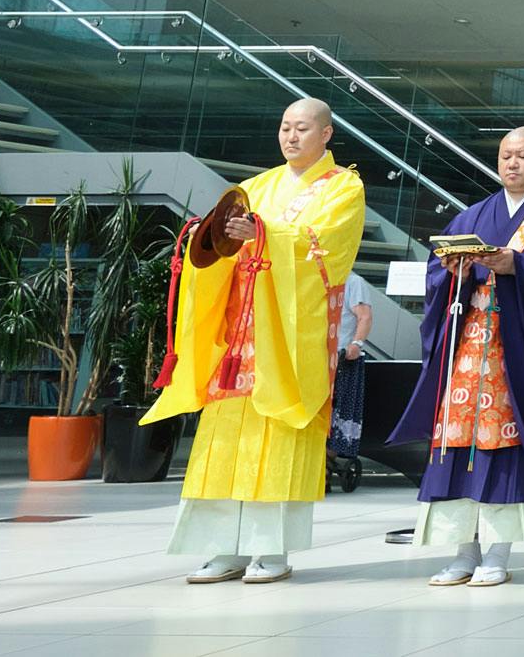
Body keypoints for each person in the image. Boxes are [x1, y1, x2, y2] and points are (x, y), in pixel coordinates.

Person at [142, 98, 366, 584]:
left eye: (302, 128)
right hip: (239, 335)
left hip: (287, 337)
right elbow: (221, 250)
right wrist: (216, 237)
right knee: (225, 436)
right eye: (285, 127)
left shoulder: (344, 187)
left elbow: (325, 249)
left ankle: (272, 550)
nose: (291, 136)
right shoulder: (253, 187)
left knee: (281, 434)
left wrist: (261, 233)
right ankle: (223, 548)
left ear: (325, 135)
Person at [392, 127, 524, 588]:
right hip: (467, 347)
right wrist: (451, 268)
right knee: (456, 442)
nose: (512, 164)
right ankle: (463, 552)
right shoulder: (475, 214)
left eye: (523, 156)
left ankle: (498, 552)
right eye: (505, 156)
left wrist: (516, 266)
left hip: (518, 347)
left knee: (508, 441)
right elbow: (436, 270)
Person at [330, 270, 379, 478]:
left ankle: (327, 462)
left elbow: (365, 316)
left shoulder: (353, 281)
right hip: (316, 357)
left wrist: (356, 343)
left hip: (343, 358)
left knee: (337, 412)